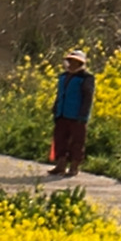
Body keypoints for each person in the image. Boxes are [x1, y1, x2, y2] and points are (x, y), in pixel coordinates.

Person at [49, 48, 95, 177]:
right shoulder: (63, 77)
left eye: (76, 62)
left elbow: (88, 97)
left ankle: (74, 166)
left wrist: (84, 115)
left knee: (77, 142)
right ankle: (61, 164)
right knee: (60, 139)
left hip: (77, 115)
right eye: (71, 61)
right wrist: (55, 107)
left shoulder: (86, 78)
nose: (72, 64)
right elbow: (60, 94)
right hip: (62, 113)